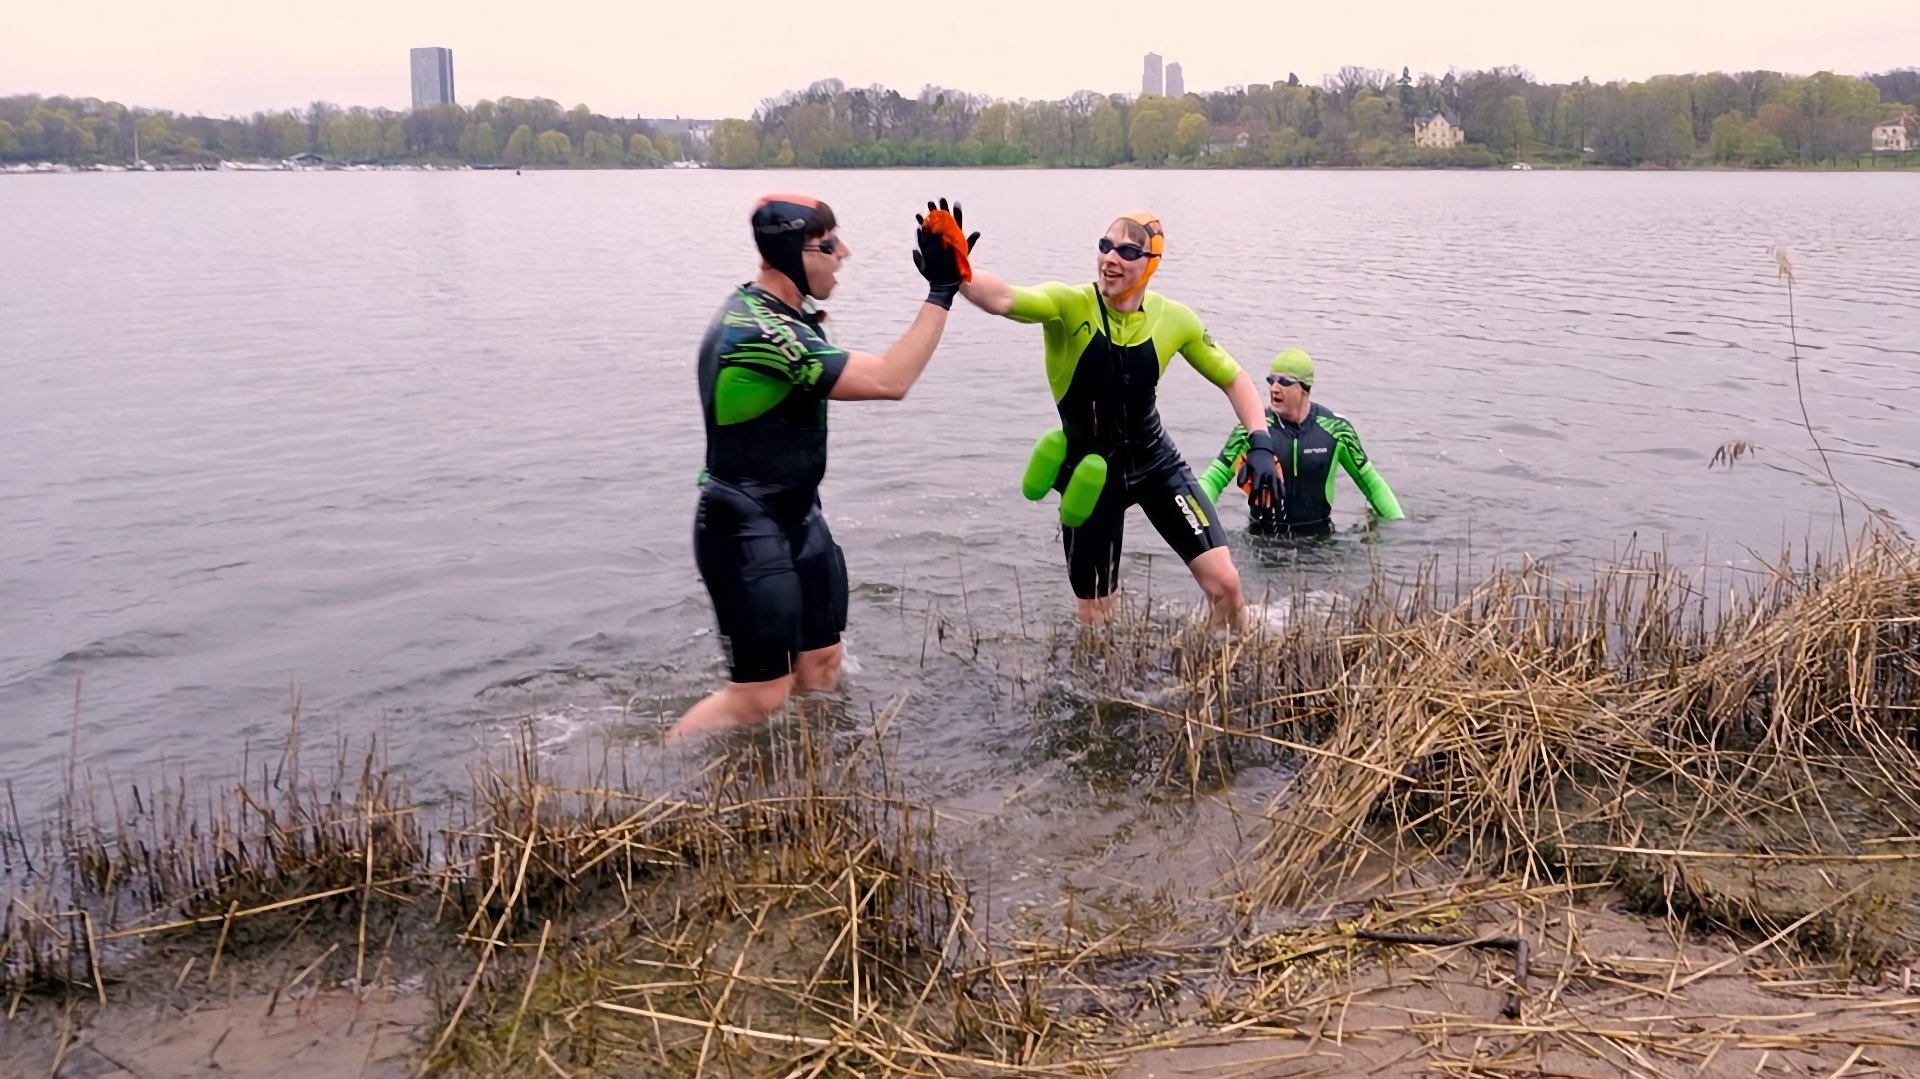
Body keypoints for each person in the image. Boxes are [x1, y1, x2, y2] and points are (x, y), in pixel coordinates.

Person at [668, 195, 979, 741]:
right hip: (742, 524)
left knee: (821, 667)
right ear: (791, 251)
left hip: (799, 516)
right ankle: (659, 770)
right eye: (830, 244)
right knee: (758, 697)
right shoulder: (759, 331)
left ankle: (809, 783)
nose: (844, 254)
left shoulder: (792, 314)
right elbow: (889, 381)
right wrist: (941, 292)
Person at [956, 212, 1280, 630]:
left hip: (1156, 464)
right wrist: (959, 272)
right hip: (1091, 477)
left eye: (1127, 251)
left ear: (1151, 263)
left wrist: (1260, 441)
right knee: (1096, 620)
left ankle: (1219, 659)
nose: (1110, 258)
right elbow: (1002, 299)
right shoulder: (1069, 305)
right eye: (1105, 246)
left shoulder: (1174, 318)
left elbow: (1233, 377)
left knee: (1226, 585)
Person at [1198, 348, 1404, 535]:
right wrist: (1194, 519)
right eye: (1271, 380)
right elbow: (1213, 480)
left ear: (1305, 388)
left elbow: (1372, 485)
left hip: (1319, 539)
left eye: (1285, 382)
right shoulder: (1253, 428)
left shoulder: (1336, 430)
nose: (1274, 389)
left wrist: (1400, 530)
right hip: (1263, 539)